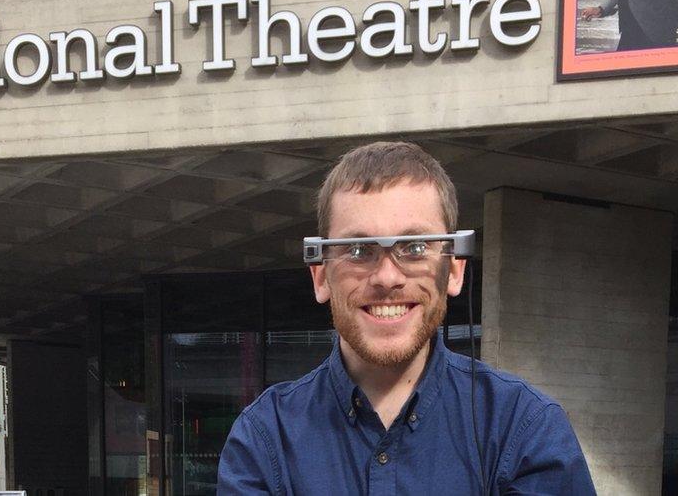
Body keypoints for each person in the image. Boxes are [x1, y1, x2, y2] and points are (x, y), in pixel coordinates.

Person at [217, 141, 596, 494]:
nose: (386, 278)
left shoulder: (524, 427)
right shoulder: (264, 438)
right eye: (358, 250)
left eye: (415, 248)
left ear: (455, 271)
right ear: (320, 277)